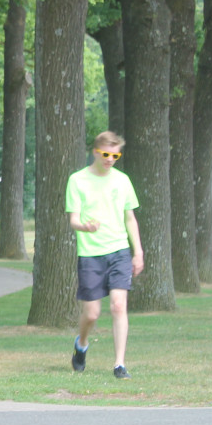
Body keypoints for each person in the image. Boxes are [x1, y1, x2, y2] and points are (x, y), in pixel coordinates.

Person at [66, 131, 144, 379]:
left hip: (119, 250)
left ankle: (119, 364)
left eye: (115, 155)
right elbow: (73, 220)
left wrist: (138, 252)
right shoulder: (77, 180)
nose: (110, 159)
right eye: (106, 154)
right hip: (90, 254)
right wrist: (85, 227)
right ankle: (82, 344)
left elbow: (130, 218)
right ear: (95, 152)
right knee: (92, 313)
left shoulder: (122, 181)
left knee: (119, 305)